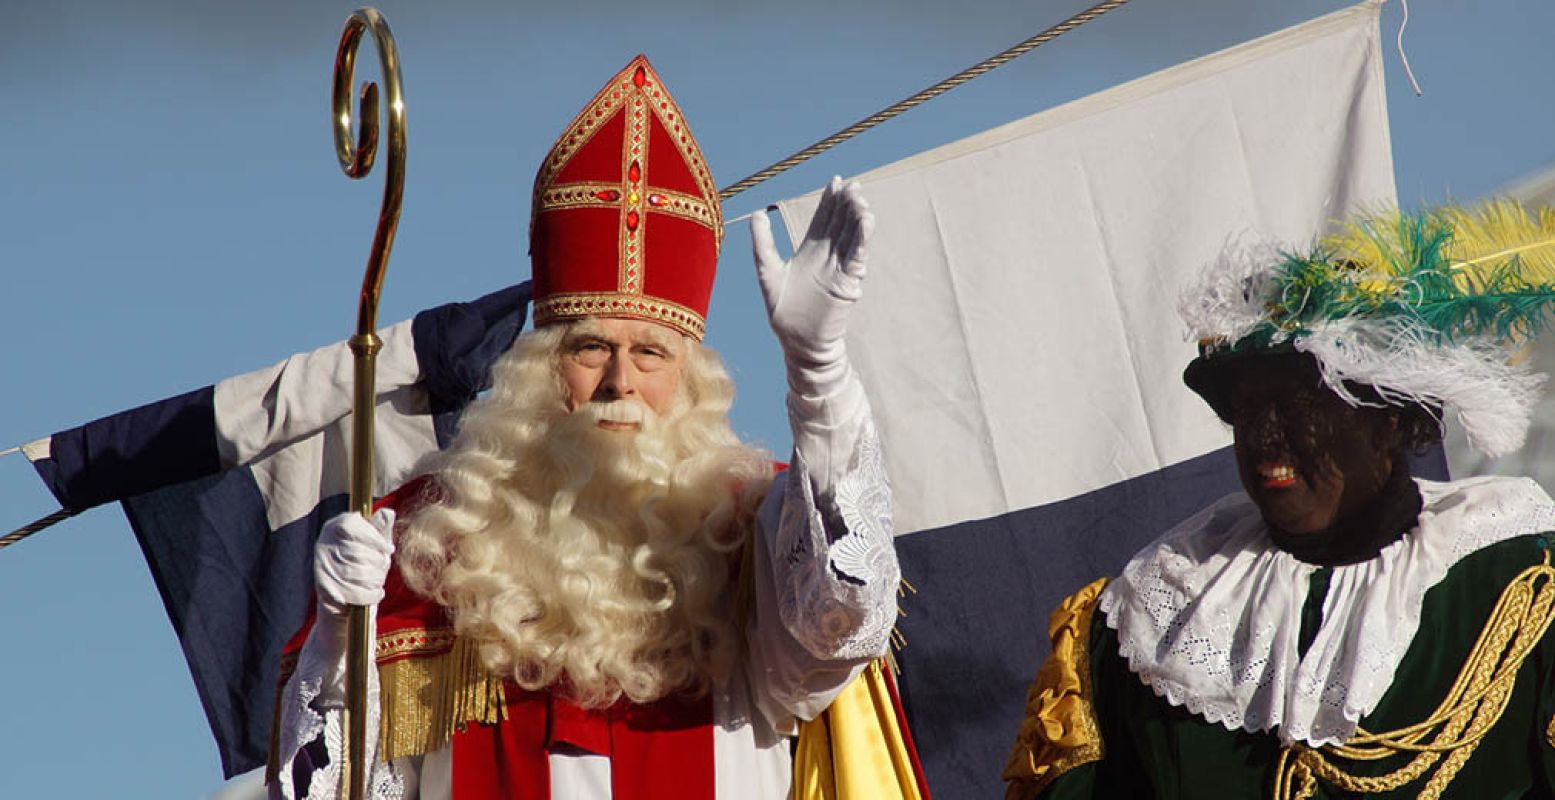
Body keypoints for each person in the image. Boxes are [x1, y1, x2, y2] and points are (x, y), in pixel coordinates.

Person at [267, 55, 904, 799]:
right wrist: (340, 642)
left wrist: (818, 371)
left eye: (650, 353)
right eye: (590, 347)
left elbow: (839, 626)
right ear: (538, 369)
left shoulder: (752, 527)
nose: (619, 381)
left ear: (692, 379)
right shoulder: (429, 538)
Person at [1003, 202, 1555, 799]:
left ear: (1385, 422)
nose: (1265, 438)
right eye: (1247, 411)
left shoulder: (1519, 587)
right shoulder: (1146, 621)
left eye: (1300, 405)